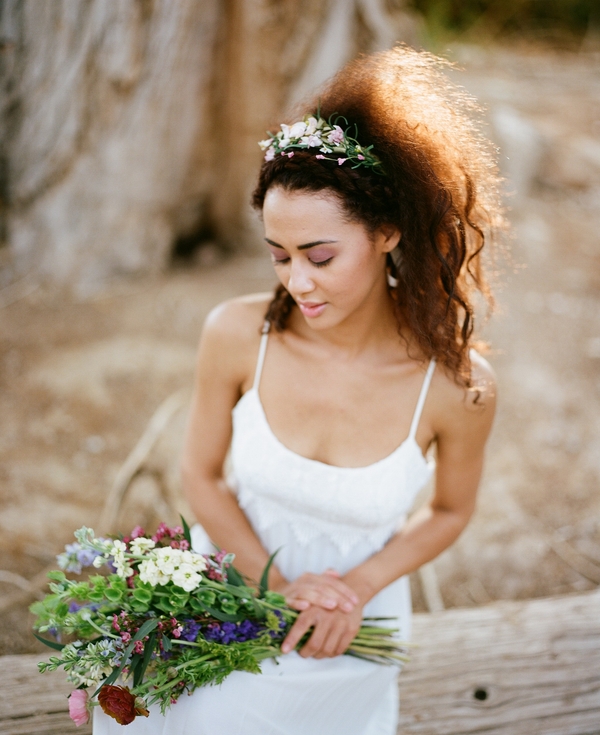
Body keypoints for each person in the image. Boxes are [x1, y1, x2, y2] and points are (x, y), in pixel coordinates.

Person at [94, 46, 503, 734]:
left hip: (352, 628)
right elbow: (201, 475)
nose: (297, 283)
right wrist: (275, 585)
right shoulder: (233, 333)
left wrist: (358, 588)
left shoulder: (458, 388)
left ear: (387, 231)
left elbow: (450, 510)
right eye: (278, 256)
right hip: (222, 595)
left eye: (319, 256)